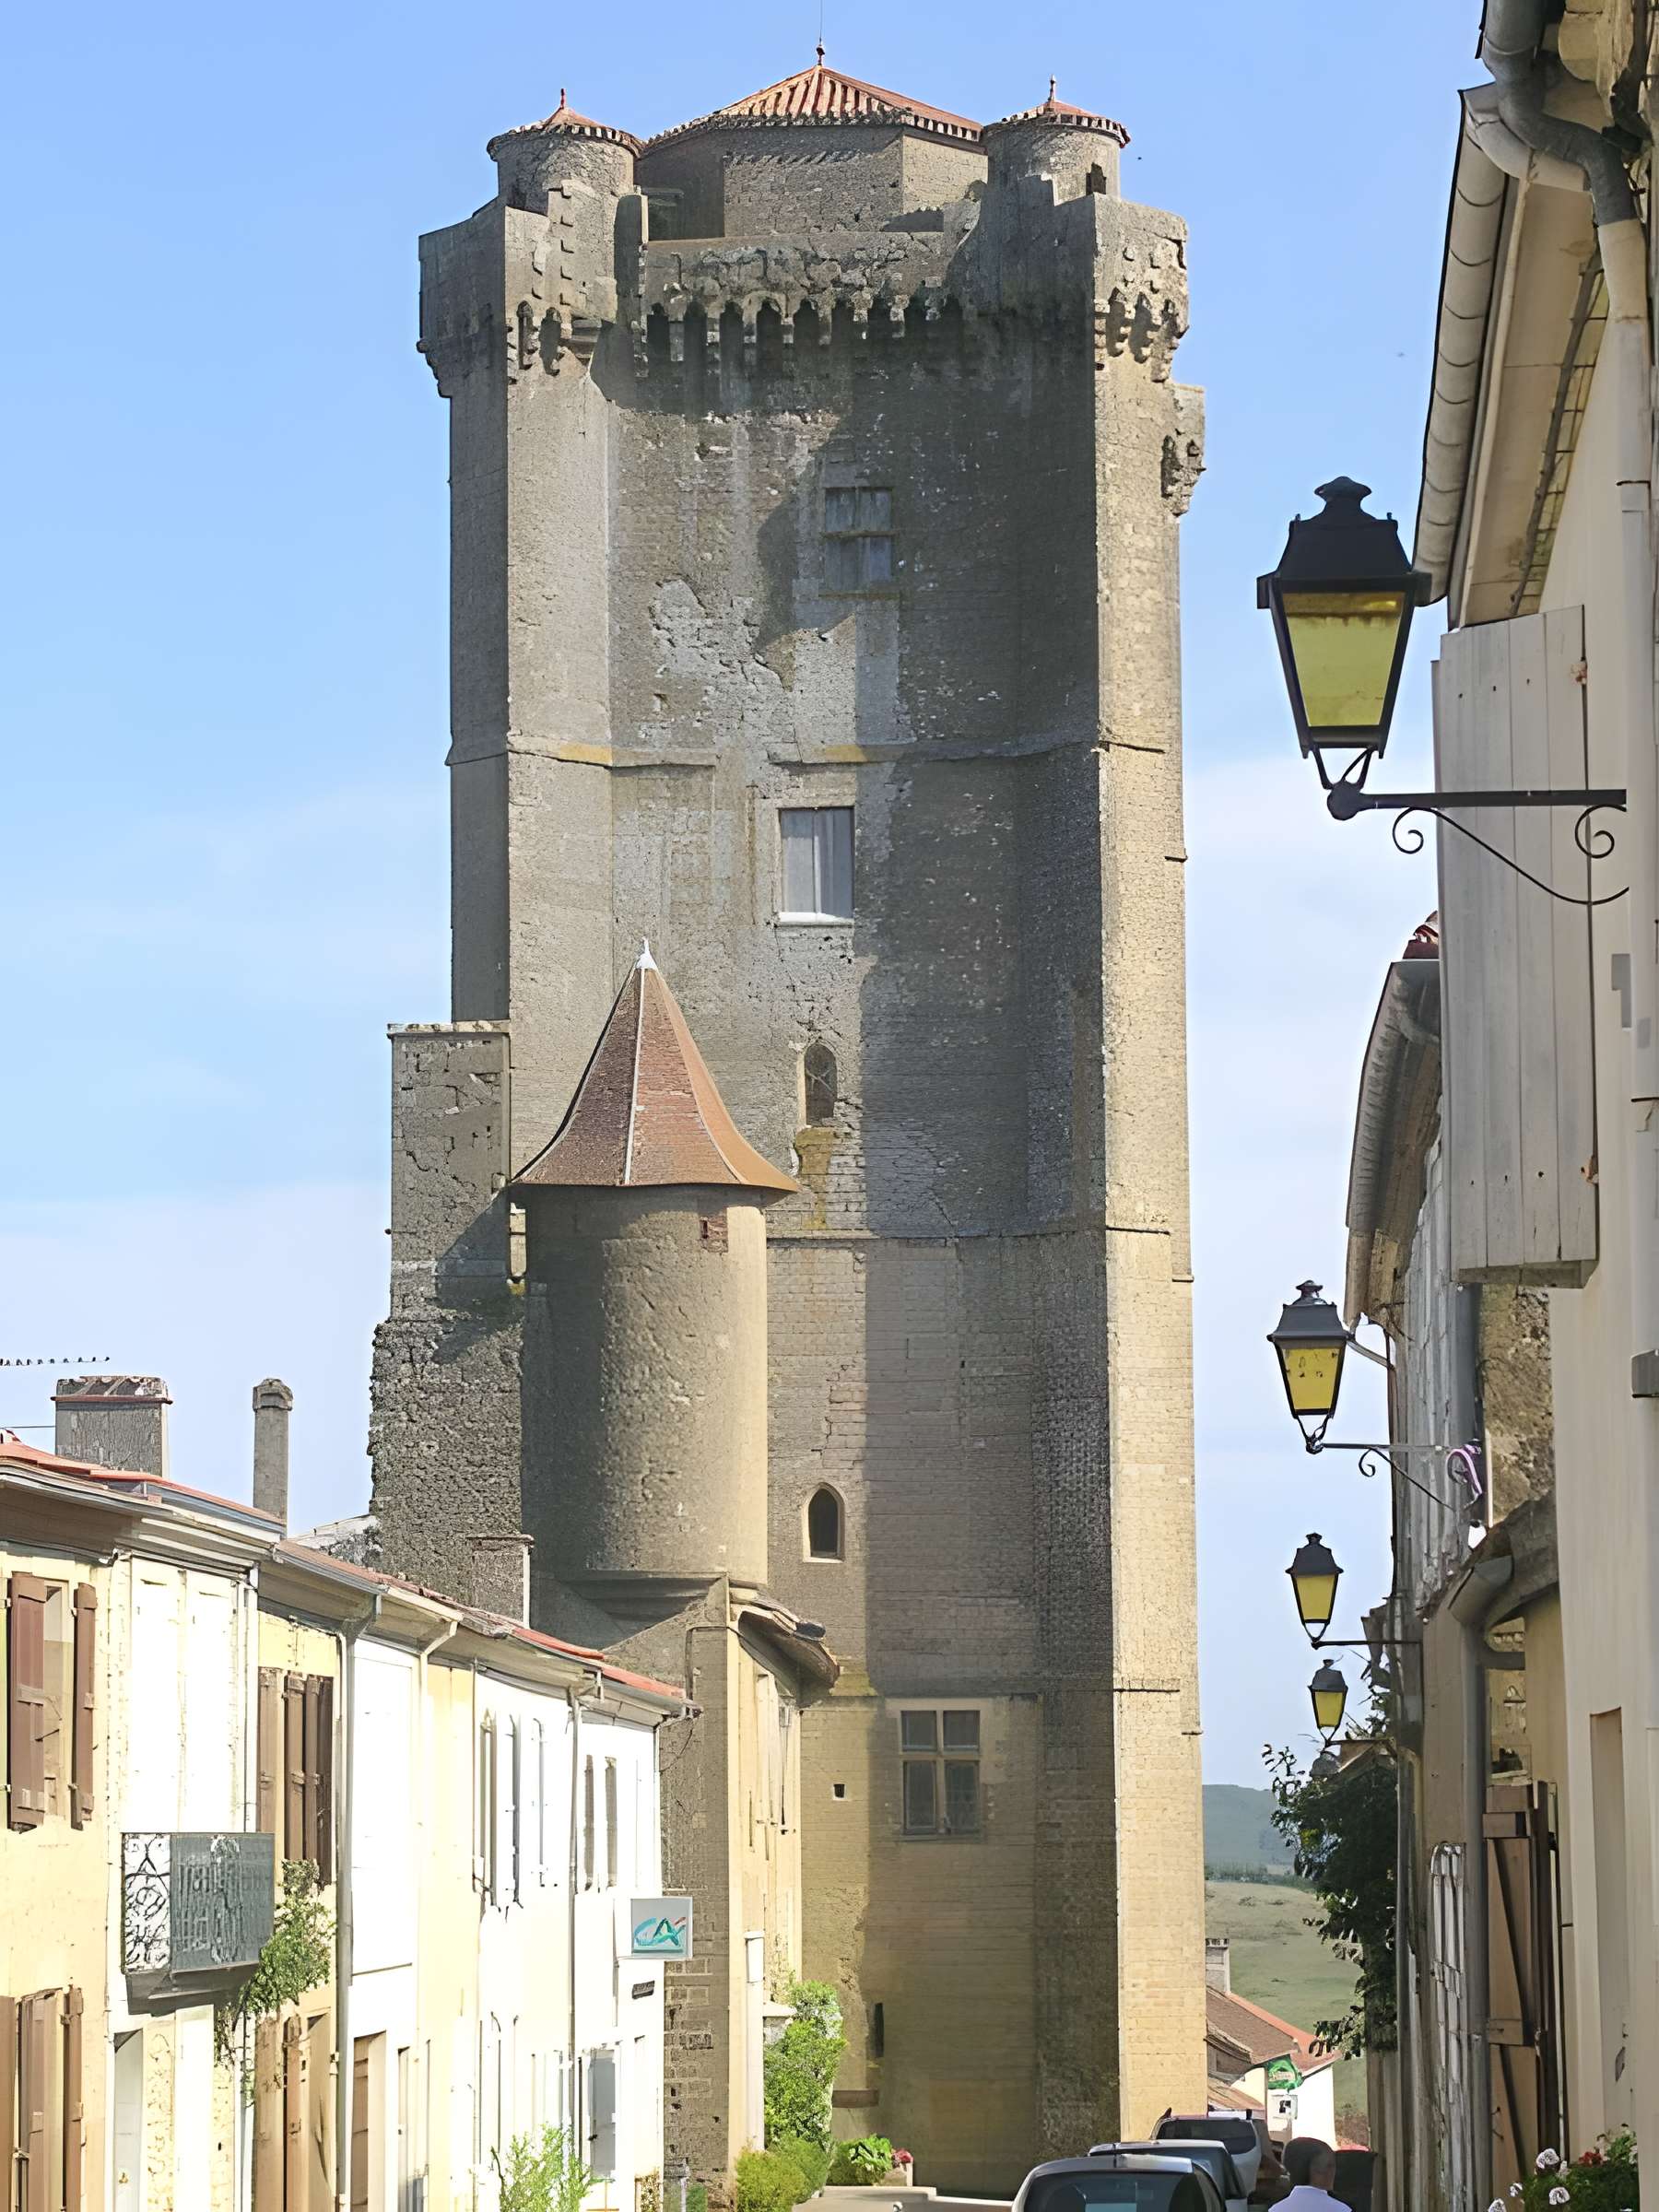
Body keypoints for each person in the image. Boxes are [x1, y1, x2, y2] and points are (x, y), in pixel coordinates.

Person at [1277, 2138, 1343, 2212]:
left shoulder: (1275, 2208)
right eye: (1330, 2165)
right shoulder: (1342, 2208)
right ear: (1318, 2170)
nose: (1333, 2171)